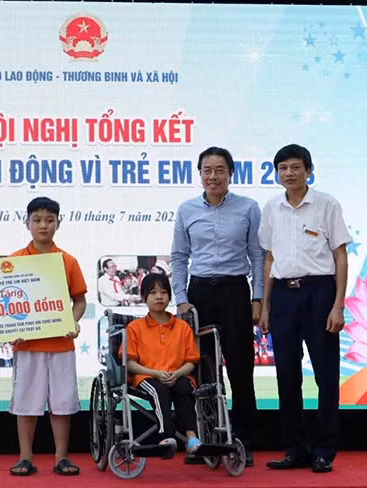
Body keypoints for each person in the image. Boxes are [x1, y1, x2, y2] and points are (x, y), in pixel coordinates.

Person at [258, 144, 351, 474]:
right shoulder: (271, 208)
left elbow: (340, 255)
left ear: (309, 171)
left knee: (326, 375)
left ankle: (324, 450)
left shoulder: (326, 204)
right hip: (283, 295)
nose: (289, 173)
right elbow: (269, 258)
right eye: (283, 168)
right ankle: (295, 448)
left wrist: (338, 305)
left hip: (319, 292)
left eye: (295, 167)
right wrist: (265, 306)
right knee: (286, 375)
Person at [171, 146, 263, 466]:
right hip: (199, 294)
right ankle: (207, 442)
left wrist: (258, 298)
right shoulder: (187, 210)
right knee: (203, 372)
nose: (213, 176)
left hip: (235, 292)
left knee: (241, 369)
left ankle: (243, 442)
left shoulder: (248, 208)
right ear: (199, 174)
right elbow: (179, 257)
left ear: (231, 173)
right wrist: (181, 299)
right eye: (207, 170)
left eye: (220, 170)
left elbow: (257, 256)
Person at [8, 197, 87, 477]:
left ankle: (61, 457)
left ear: (58, 223)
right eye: (37, 220)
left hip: (61, 344)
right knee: (26, 403)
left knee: (62, 404)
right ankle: (25, 458)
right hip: (27, 345)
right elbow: (4, 303)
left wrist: (73, 321)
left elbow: (79, 300)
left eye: (49, 220)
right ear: (27, 223)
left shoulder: (68, 261)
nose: (43, 225)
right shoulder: (13, 262)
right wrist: (7, 328)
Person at [122, 273, 202, 457]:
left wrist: (177, 373)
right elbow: (130, 364)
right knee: (159, 390)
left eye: (164, 292)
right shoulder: (134, 327)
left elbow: (191, 362)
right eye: (153, 293)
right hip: (146, 377)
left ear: (169, 296)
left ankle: (192, 439)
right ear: (144, 297)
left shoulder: (182, 327)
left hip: (178, 374)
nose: (159, 297)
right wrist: (156, 373)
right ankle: (166, 437)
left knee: (184, 388)